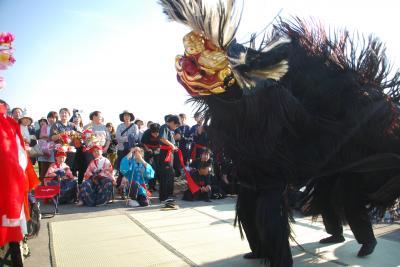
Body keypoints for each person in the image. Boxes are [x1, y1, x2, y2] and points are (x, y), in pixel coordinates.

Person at [160, 1, 400, 265]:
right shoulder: (227, 102)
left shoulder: (271, 93)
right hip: (253, 167)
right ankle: (266, 248)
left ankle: (300, 255)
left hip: (285, 161)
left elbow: (303, 123)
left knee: (293, 206)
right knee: (249, 207)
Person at [158, 115, 180, 201]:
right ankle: (164, 196)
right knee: (165, 174)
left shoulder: (170, 130)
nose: (175, 127)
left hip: (170, 153)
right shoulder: (164, 127)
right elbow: (162, 138)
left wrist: (174, 146)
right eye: (176, 125)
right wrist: (172, 145)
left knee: (171, 173)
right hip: (165, 154)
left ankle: (169, 193)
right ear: (172, 122)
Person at [140, 123, 160, 191]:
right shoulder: (147, 133)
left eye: (157, 133)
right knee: (149, 168)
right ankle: (149, 185)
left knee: (156, 168)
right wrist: (148, 149)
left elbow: (163, 142)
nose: (155, 135)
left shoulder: (161, 133)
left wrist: (158, 149)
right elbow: (143, 142)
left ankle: (153, 185)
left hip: (157, 151)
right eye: (154, 134)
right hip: (148, 150)